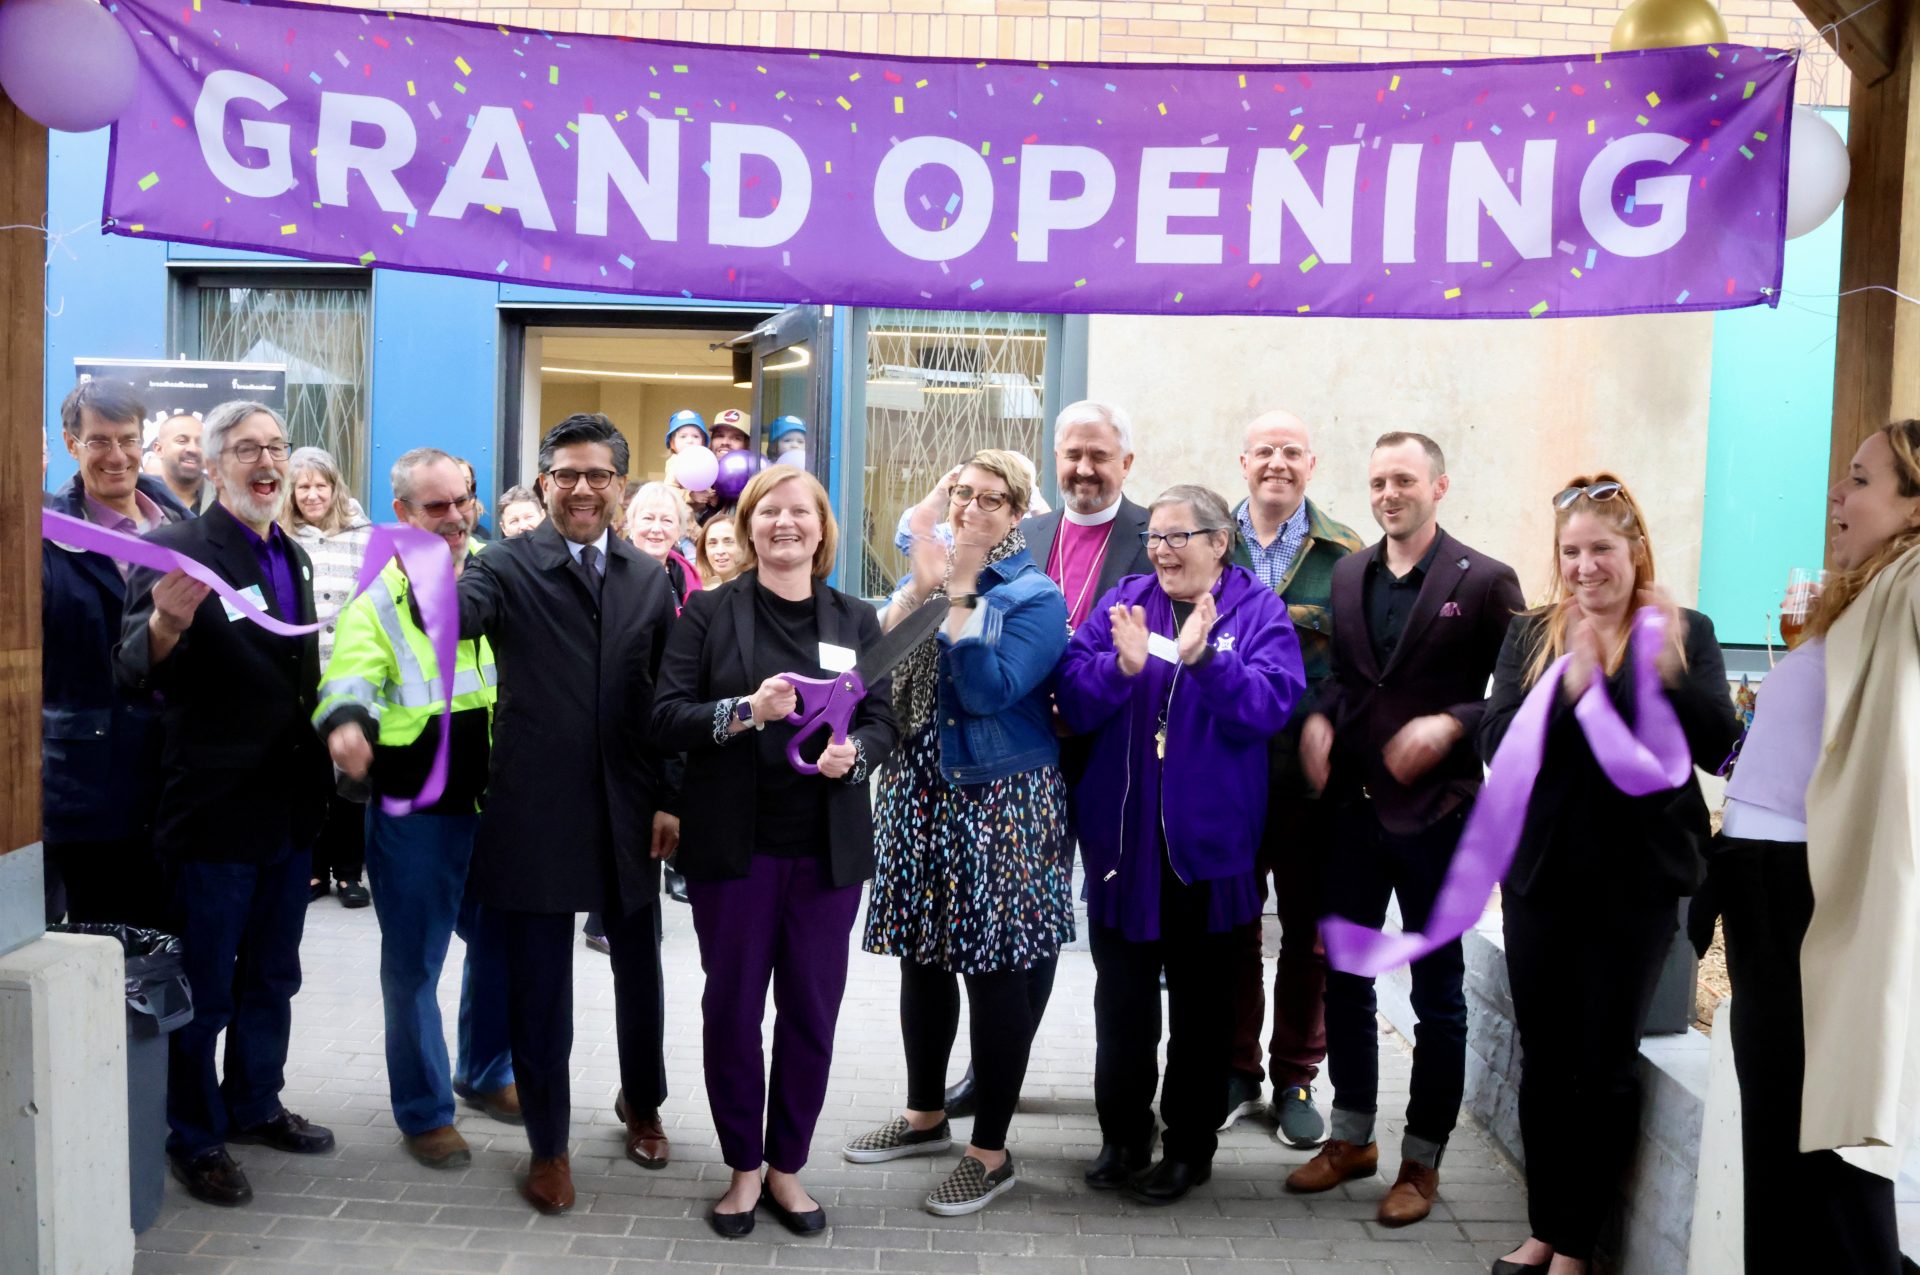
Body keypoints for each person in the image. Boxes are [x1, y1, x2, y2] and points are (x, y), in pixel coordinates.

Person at [1478, 475, 1738, 1275]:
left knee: (1603, 1064)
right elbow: (1496, 742)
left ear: (1637, 550)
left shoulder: (1685, 630)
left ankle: (1576, 1246)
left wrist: (1661, 672)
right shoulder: (1532, 634)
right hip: (1540, 878)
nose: (1585, 566)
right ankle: (1545, 1227)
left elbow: (1718, 748)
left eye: (1601, 549)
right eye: (1571, 551)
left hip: (1635, 884)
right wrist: (1570, 688)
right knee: (1544, 1058)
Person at [653, 465, 899, 1237]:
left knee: (810, 1015)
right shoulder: (708, 610)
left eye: (801, 512)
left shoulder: (855, 618)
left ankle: (786, 1167)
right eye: (769, 512)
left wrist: (856, 755)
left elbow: (884, 720)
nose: (785, 523)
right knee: (731, 1012)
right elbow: (667, 714)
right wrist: (745, 710)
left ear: (823, 530)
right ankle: (742, 1168)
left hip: (825, 856)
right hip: (735, 850)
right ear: (748, 526)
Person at [1700, 420, 1920, 1275]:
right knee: (1781, 1127)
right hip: (1762, 886)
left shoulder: (1908, 582)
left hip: (1808, 893)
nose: (1838, 492)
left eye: (1862, 479)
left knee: (1822, 1137)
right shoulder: (1861, 594)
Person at [1288, 432, 1524, 1226]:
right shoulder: (1349, 571)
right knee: (1346, 977)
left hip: (1439, 816)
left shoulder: (1485, 580)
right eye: (1379, 481)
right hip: (1354, 810)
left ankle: (1422, 1161)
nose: (1389, 493)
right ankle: (1351, 1136)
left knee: (1439, 997)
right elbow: (1347, 681)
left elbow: (1515, 694)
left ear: (1439, 486)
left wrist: (1453, 723)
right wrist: (1321, 720)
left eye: (1404, 480)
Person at [456, 412, 681, 1216]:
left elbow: (666, 695)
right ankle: (548, 1144)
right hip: (535, 805)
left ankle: (643, 1101)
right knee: (540, 986)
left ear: (619, 484)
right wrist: (437, 564)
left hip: (629, 804)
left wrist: (669, 796)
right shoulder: (502, 565)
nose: (582, 488)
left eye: (598, 474)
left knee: (640, 969)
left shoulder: (647, 577)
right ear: (544, 482)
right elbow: (458, 616)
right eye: (567, 474)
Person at [1056, 484, 1306, 1205]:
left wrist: (1206, 662)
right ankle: (1123, 1134)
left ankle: (1189, 1148)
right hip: (1124, 849)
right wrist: (1120, 668)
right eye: (1155, 538)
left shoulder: (1256, 611)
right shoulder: (1124, 601)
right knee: (1122, 1006)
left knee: (1202, 1013)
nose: (1161, 551)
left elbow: (1269, 706)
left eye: (1177, 537)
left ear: (1219, 542)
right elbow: (1070, 696)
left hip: (1210, 853)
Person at [116, 399, 336, 1208]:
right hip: (212, 813)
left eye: (276, 446)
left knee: (273, 974)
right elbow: (130, 668)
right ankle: (194, 1134)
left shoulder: (293, 554)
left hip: (289, 810)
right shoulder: (175, 548)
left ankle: (254, 1102)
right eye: (246, 449)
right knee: (205, 988)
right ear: (213, 466)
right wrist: (165, 627)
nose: (267, 461)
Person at [843, 450, 1072, 1217]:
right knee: (923, 957)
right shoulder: (931, 575)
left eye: (990, 499)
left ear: (1018, 514)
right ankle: (924, 1115)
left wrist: (963, 590)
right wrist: (922, 583)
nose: (970, 508)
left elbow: (984, 690)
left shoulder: (1036, 595)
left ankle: (990, 1153)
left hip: (997, 796)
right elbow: (875, 668)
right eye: (961, 494)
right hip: (917, 789)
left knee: (995, 969)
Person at [928, 401, 1154, 1119]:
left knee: (1106, 936)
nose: (1084, 469)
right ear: (1055, 459)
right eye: (1072, 455)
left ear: (1126, 462)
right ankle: (996, 1075)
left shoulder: (1157, 534)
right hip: (1025, 758)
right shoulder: (1023, 530)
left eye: (1099, 455)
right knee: (1022, 923)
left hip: (1114, 757)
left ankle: (1119, 1100)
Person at [313, 447, 519, 1170]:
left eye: (465, 500)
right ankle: (425, 1111)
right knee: (413, 968)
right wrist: (345, 724)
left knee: (499, 948)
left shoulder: (504, 571)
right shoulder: (378, 597)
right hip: (416, 814)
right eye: (437, 506)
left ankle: (485, 1071)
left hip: (500, 807)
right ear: (401, 514)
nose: (457, 517)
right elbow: (348, 677)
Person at [1223, 410, 1365, 1148]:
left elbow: (1362, 663)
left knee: (1309, 933)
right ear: (1243, 462)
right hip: (1226, 770)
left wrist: (1330, 726)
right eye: (1264, 451)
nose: (1277, 462)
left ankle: (1296, 1077)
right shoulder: (1209, 539)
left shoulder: (1347, 554)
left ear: (1312, 464)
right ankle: (1235, 1069)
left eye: (1291, 451)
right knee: (1232, 926)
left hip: (1311, 779)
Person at [42, 378, 190, 926]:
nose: (117, 456)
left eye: (127, 439)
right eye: (99, 441)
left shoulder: (183, 527)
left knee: (188, 950)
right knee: (107, 949)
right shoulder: (44, 537)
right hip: (92, 785)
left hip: (182, 782)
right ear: (71, 443)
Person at [285, 446, 375, 907]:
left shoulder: (363, 536)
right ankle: (314, 869)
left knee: (349, 778)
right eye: (303, 487)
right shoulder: (282, 537)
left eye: (321, 485)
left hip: (349, 675)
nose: (312, 494)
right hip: (301, 676)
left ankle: (349, 873)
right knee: (309, 777)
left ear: (336, 488)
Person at [627, 481, 703, 610]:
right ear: (632, 524)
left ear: (678, 530)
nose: (656, 529)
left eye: (667, 520)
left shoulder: (686, 573)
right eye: (648, 518)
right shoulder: (614, 574)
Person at [150, 411, 215, 515]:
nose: (193, 449)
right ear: (159, 450)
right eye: (182, 441)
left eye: (200, 442)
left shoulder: (226, 499)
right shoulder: (140, 500)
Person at [694, 513, 742, 588]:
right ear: (704, 550)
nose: (720, 551)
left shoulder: (756, 587)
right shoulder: (694, 588)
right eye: (713, 543)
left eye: (728, 542)